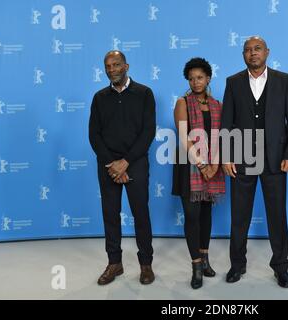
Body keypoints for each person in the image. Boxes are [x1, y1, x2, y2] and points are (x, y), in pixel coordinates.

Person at [221, 36, 288, 288]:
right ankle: (237, 265)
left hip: (276, 160)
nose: (252, 53)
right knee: (239, 216)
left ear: (267, 52)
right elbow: (226, 123)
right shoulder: (233, 82)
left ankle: (280, 267)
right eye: (247, 50)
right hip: (242, 158)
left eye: (257, 49)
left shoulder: (283, 80)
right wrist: (226, 155)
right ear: (243, 55)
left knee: (277, 216)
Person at [89, 50, 156, 286]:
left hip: (135, 163)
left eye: (116, 65)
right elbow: (94, 135)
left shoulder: (144, 93)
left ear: (126, 66)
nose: (111, 70)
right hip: (107, 166)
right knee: (110, 215)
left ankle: (146, 263)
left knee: (140, 214)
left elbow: (148, 132)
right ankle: (114, 263)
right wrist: (112, 163)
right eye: (107, 66)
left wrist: (125, 162)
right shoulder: (99, 98)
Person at [172, 57, 225, 289]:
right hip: (190, 165)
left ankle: (205, 260)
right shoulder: (182, 102)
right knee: (192, 215)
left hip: (213, 165)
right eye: (191, 78)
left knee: (206, 215)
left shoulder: (217, 105)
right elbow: (184, 138)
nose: (196, 82)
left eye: (200, 77)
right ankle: (195, 266)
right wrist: (203, 165)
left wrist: (214, 164)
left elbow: (221, 137)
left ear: (208, 78)